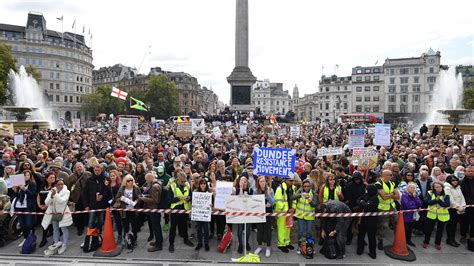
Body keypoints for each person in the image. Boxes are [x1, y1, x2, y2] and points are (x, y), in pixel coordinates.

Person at [41, 179, 73, 255]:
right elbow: (46, 202)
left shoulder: (67, 191)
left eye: (62, 184)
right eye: (58, 184)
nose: (60, 186)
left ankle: (64, 244)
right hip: (54, 213)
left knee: (64, 229)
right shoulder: (51, 191)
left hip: (63, 213)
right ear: (55, 185)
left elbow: (62, 201)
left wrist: (55, 195)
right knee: (55, 229)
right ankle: (56, 243)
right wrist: (51, 196)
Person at [168, 171, 194, 252]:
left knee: (184, 226)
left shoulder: (187, 185)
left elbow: (191, 195)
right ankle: (171, 243)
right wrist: (179, 198)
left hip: (185, 209)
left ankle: (186, 240)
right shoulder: (172, 186)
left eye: (185, 181)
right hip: (175, 210)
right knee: (173, 227)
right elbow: (169, 200)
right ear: (177, 180)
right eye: (182, 181)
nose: (183, 183)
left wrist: (189, 198)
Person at [138, 172, 163, 252]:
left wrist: (143, 199)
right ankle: (158, 241)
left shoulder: (155, 186)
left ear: (149, 179)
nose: (146, 182)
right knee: (156, 226)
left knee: (156, 227)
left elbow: (156, 200)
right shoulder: (156, 183)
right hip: (154, 209)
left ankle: (159, 245)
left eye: (147, 180)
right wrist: (147, 196)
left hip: (154, 209)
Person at [11, 170, 37, 248]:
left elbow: (32, 195)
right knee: (22, 224)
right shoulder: (19, 184)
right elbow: (16, 196)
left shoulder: (32, 184)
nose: (26, 176)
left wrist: (25, 189)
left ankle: (31, 237)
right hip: (19, 206)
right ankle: (26, 238)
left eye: (28, 175)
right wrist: (15, 190)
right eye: (24, 175)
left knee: (29, 224)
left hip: (28, 207)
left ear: (30, 176)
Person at [113, 175, 140, 248]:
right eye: (128, 181)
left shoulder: (136, 188)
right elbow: (117, 198)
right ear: (125, 181)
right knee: (125, 226)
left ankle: (134, 240)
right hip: (124, 210)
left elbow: (139, 197)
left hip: (133, 210)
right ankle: (126, 239)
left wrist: (136, 202)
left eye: (131, 180)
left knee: (134, 226)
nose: (130, 182)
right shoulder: (122, 188)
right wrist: (122, 199)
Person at [375, 169, 399, 250]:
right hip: (382, 208)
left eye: (391, 175)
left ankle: (398, 240)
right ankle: (380, 240)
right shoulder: (378, 184)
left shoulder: (393, 183)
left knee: (397, 222)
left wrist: (389, 195)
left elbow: (398, 196)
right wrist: (392, 194)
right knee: (383, 225)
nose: (389, 176)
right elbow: (384, 197)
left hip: (392, 206)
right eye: (387, 175)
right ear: (382, 176)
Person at [423, 181, 450, 250]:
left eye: (439, 187)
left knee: (440, 231)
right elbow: (427, 202)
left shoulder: (446, 194)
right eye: (436, 187)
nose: (438, 188)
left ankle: (437, 243)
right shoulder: (430, 193)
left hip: (442, 216)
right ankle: (426, 242)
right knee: (428, 229)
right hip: (432, 215)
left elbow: (447, 204)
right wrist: (435, 200)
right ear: (433, 188)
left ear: (442, 187)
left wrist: (438, 201)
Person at [67, 162, 90, 236]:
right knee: (78, 213)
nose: (79, 168)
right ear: (75, 169)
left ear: (83, 167)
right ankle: (80, 228)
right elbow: (69, 188)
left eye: (80, 166)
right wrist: (70, 198)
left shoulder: (88, 174)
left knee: (86, 211)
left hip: (87, 196)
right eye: (78, 167)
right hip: (77, 197)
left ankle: (87, 224)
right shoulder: (71, 177)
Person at [356, 184, 379, 259]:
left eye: (367, 189)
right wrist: (363, 203)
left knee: (371, 238)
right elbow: (358, 200)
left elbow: (368, 206)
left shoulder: (375, 199)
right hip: (363, 220)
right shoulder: (365, 195)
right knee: (361, 235)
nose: (366, 190)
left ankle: (372, 253)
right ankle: (360, 249)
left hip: (371, 222)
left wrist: (362, 203)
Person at [274, 176, 296, 253]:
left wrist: (293, 207)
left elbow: (294, 199)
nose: (292, 182)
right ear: (285, 180)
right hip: (282, 213)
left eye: (293, 180)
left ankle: (286, 243)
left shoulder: (292, 188)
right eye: (290, 180)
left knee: (288, 228)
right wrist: (286, 209)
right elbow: (278, 201)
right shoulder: (280, 189)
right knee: (282, 229)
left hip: (289, 212)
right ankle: (281, 244)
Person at [254, 176, 274, 257]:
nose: (262, 183)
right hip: (259, 213)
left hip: (268, 214)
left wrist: (269, 195)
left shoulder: (270, 190)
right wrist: (265, 205)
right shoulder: (255, 191)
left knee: (268, 231)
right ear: (258, 183)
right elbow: (255, 203)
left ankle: (268, 248)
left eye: (264, 181)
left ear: (266, 182)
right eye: (261, 181)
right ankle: (259, 246)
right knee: (260, 230)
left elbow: (272, 203)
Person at [294, 180, 317, 246]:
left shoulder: (313, 193)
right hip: (300, 215)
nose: (306, 188)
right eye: (305, 186)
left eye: (308, 186)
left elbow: (315, 204)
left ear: (310, 186)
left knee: (309, 232)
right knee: (301, 231)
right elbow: (293, 197)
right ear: (302, 186)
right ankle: (300, 245)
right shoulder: (300, 191)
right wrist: (300, 195)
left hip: (309, 216)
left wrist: (310, 201)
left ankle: (309, 245)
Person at [444, 175, 465, 247]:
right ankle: (449, 239)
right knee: (451, 225)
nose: (455, 181)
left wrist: (463, 206)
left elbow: (462, 197)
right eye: (453, 180)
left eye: (456, 180)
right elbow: (450, 199)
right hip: (452, 209)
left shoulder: (458, 187)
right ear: (449, 181)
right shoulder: (447, 188)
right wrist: (458, 207)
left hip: (459, 209)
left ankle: (452, 239)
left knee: (455, 225)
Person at [233, 176, 253, 253]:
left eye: (244, 181)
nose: (243, 183)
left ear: (247, 183)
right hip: (240, 213)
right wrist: (241, 188)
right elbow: (239, 198)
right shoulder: (237, 190)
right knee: (239, 230)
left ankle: (246, 242)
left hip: (248, 213)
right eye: (241, 181)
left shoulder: (250, 190)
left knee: (248, 230)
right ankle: (240, 244)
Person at [37, 172, 56, 247]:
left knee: (54, 224)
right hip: (42, 207)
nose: (52, 179)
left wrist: (46, 206)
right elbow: (38, 195)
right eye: (51, 177)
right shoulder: (42, 186)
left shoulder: (55, 187)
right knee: (44, 224)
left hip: (51, 208)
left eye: (53, 177)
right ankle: (44, 239)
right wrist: (39, 205)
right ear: (46, 178)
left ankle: (56, 239)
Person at [193, 178, 211, 251]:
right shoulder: (196, 192)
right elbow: (193, 201)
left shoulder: (209, 193)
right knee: (199, 229)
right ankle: (199, 242)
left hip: (205, 215)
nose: (203, 185)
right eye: (201, 184)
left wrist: (211, 205)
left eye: (204, 184)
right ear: (199, 185)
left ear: (206, 185)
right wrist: (193, 205)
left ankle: (206, 243)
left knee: (206, 229)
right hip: (198, 214)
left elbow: (211, 203)